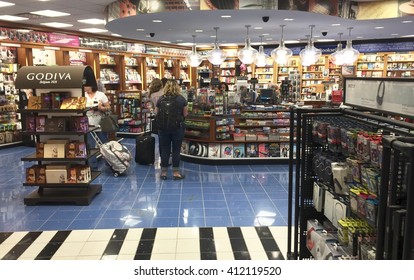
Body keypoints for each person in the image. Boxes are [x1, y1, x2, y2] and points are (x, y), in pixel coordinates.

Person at [155, 79, 188, 180]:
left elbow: (156, 113)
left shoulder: (160, 99)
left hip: (163, 128)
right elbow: (185, 114)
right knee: (176, 150)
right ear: (177, 87)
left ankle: (163, 173)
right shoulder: (181, 99)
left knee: (165, 150)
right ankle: (176, 173)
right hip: (177, 128)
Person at [85, 80, 111, 170]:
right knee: (90, 145)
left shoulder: (101, 95)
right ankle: (92, 166)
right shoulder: (83, 95)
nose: (85, 88)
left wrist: (101, 108)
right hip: (87, 125)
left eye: (86, 86)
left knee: (104, 144)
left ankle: (110, 162)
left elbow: (108, 108)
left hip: (100, 124)